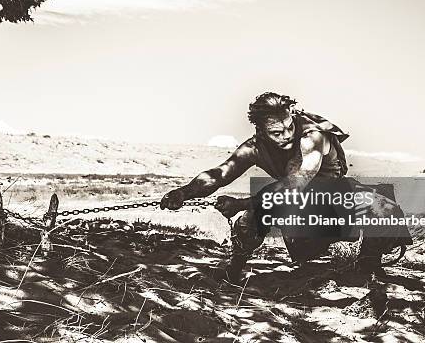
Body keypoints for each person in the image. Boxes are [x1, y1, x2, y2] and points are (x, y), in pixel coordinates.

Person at [160, 92, 406, 283]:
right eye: (276, 132)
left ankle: (369, 264)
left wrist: (240, 203)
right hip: (300, 209)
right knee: (251, 219)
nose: (286, 135)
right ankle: (233, 271)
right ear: (260, 130)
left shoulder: (313, 137)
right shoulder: (254, 147)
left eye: (289, 126)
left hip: (336, 196)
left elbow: (296, 181)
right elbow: (220, 174)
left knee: (386, 212)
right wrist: (184, 192)